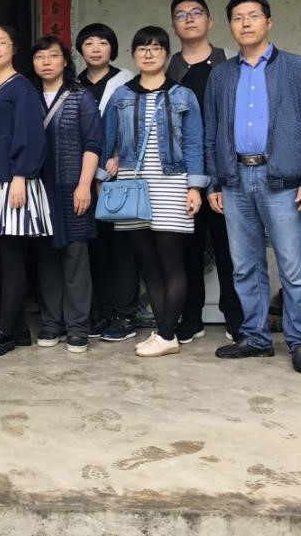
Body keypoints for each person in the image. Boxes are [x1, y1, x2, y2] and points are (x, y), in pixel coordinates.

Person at [205, 0, 301, 374]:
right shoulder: (221, 75)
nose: (246, 23)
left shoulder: (299, 69)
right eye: (238, 17)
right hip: (235, 180)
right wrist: (213, 183)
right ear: (230, 25)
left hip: (284, 181)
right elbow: (211, 132)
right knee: (245, 266)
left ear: (269, 22)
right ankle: (256, 337)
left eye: (253, 16)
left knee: (293, 267)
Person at [103, 26, 207, 359]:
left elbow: (194, 143)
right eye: (142, 48)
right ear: (133, 54)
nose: (148, 54)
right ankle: (165, 333)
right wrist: (105, 172)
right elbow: (107, 139)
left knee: (170, 261)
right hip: (132, 185)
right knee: (147, 263)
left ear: (166, 54)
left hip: (171, 184)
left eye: (156, 48)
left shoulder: (183, 95)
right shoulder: (121, 95)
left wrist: (195, 187)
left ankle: (165, 334)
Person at [0, 24, 50, 357]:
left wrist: (22, 175)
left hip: (13, 180)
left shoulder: (21, 88)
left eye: (1, 42)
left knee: (13, 257)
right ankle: (19, 331)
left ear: (14, 48)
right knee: (3, 257)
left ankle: (4, 332)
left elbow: (31, 134)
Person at [167, 0, 242, 344]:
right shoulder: (168, 70)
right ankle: (192, 316)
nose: (189, 19)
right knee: (188, 249)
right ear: (174, 26)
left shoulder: (230, 66)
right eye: (181, 15)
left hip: (226, 171)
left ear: (210, 21)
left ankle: (236, 317)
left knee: (230, 249)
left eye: (196, 12)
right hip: (182, 174)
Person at [28, 36, 101, 355]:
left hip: (73, 187)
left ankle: (77, 327)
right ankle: (51, 323)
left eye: (53, 56)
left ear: (65, 61)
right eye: (39, 57)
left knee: (75, 257)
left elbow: (93, 143)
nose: (46, 62)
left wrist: (84, 185)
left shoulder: (80, 96)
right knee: (45, 258)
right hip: (38, 190)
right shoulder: (27, 97)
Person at [75, 22, 139, 344]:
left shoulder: (127, 81)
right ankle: (101, 311)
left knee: (122, 248)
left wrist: (117, 157)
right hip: (83, 179)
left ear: (112, 47)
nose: (96, 48)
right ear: (80, 49)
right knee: (95, 248)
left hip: (117, 176)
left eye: (102, 42)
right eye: (89, 43)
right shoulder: (74, 85)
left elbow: (134, 127)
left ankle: (124, 314)